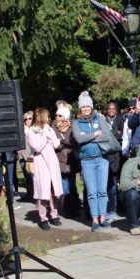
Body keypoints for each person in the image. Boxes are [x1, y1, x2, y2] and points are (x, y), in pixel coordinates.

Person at [73, 92, 114, 231]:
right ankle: (94, 219)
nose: (85, 109)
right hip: (87, 160)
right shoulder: (77, 123)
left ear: (91, 107)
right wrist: (95, 134)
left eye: (87, 107)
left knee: (102, 190)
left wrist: (88, 137)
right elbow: (79, 139)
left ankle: (103, 216)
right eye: (83, 107)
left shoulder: (100, 119)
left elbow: (107, 135)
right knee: (91, 191)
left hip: (102, 159)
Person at [27, 108, 64, 230]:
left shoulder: (50, 129)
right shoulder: (32, 132)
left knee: (54, 190)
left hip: (52, 161)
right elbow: (37, 147)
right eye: (47, 116)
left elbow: (56, 144)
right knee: (43, 191)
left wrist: (50, 134)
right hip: (40, 162)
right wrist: (44, 136)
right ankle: (43, 218)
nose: (49, 119)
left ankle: (54, 215)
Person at [53, 106, 81, 217]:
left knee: (72, 186)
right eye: (56, 115)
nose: (57, 117)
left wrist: (63, 141)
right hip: (59, 160)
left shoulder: (73, 126)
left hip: (71, 160)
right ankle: (66, 209)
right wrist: (64, 143)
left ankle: (74, 208)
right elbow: (55, 144)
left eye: (60, 115)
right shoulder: (53, 127)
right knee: (64, 188)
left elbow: (74, 141)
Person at [18, 110, 35, 199]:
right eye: (25, 119)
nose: (27, 121)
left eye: (29, 118)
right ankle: (29, 193)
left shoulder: (34, 129)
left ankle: (34, 193)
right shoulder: (21, 129)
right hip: (22, 156)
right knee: (26, 175)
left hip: (30, 155)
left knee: (31, 174)